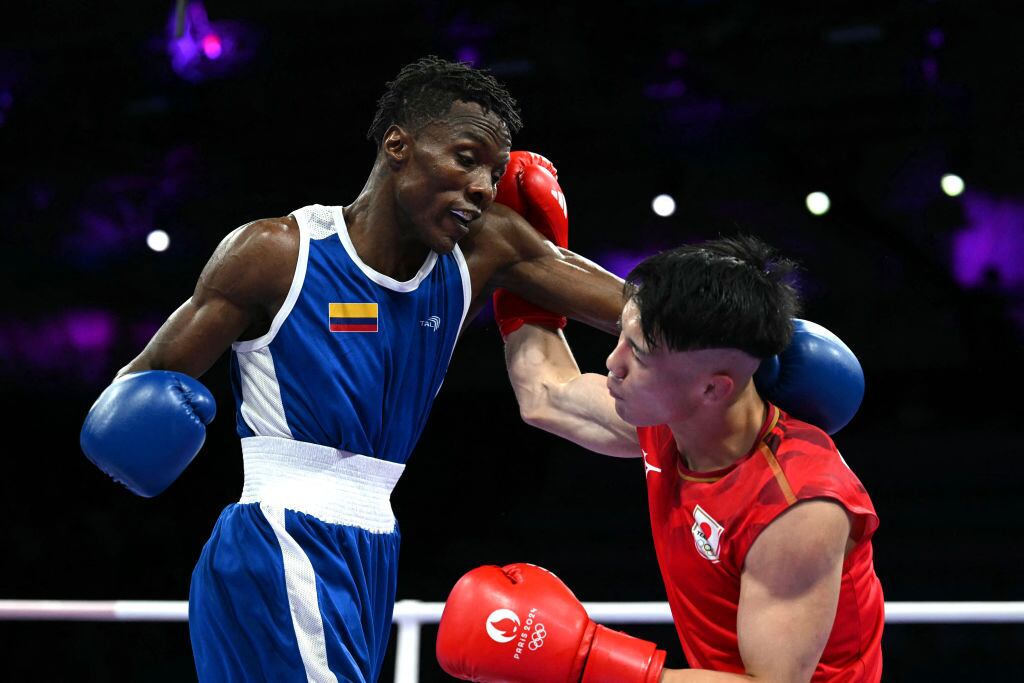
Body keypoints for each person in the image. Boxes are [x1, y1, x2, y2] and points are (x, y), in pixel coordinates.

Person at [79, 56, 626, 682]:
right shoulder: (277, 253)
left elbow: (636, 313)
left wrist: (745, 324)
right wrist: (141, 424)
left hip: (371, 545)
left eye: (495, 172)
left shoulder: (485, 249)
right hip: (278, 541)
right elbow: (144, 378)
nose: (481, 186)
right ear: (399, 145)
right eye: (466, 158)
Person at [436, 236, 883, 682]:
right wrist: (515, 257)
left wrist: (585, 660)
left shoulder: (795, 506)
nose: (613, 362)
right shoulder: (674, 417)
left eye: (641, 355)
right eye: (623, 338)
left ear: (713, 388)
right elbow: (546, 395)